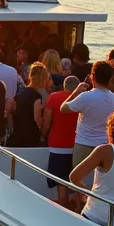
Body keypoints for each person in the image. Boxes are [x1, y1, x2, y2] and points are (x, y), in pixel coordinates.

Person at [60, 61, 114, 168]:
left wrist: (75, 93)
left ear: (93, 77)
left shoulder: (85, 97)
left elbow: (63, 108)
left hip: (84, 144)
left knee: (78, 179)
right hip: (105, 144)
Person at [43, 76, 80, 207]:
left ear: (64, 86)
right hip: (78, 145)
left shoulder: (53, 97)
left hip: (57, 145)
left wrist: (43, 135)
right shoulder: (82, 99)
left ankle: (63, 208)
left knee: (60, 181)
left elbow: (47, 120)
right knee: (77, 179)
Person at [8, 63, 50, 147]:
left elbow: (10, 111)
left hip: (16, 135)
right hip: (30, 137)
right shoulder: (36, 96)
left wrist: (12, 128)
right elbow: (37, 118)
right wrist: (42, 135)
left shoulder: (20, 92)